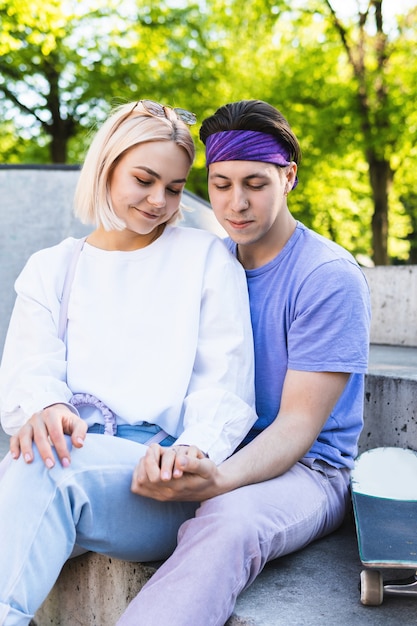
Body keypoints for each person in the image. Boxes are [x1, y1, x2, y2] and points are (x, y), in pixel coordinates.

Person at [0, 100, 258, 625]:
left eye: (174, 187)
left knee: (43, 470)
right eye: (144, 179)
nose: (158, 200)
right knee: (41, 459)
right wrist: (47, 406)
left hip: (158, 481)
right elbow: (27, 374)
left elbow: (227, 386)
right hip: (69, 460)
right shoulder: (53, 268)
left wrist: (191, 452)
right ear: (107, 166)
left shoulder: (206, 256)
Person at [117, 99, 371, 626]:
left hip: (308, 472)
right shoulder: (207, 262)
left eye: (255, 183)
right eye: (221, 183)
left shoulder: (327, 277)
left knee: (227, 521)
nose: (236, 203)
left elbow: (298, 427)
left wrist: (217, 480)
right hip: (213, 443)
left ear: (289, 178)